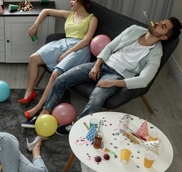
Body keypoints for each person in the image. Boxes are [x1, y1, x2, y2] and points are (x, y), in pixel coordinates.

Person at [30, 17, 182, 135]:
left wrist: (114, 83)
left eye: (163, 26)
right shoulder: (135, 30)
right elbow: (110, 46)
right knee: (61, 79)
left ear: (164, 37)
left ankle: (77, 128)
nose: (157, 23)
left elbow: (144, 80)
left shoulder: (156, 54)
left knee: (96, 98)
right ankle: (45, 112)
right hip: (101, 65)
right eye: (160, 21)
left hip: (116, 76)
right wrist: (97, 64)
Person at [18, 0, 98, 123]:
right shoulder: (69, 15)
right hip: (63, 43)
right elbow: (45, 11)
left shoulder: (92, 18)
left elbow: (87, 40)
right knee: (33, 58)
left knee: (55, 74)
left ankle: (39, 108)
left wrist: (66, 54)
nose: (70, 2)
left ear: (81, 1)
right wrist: (35, 25)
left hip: (79, 49)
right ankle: (29, 92)